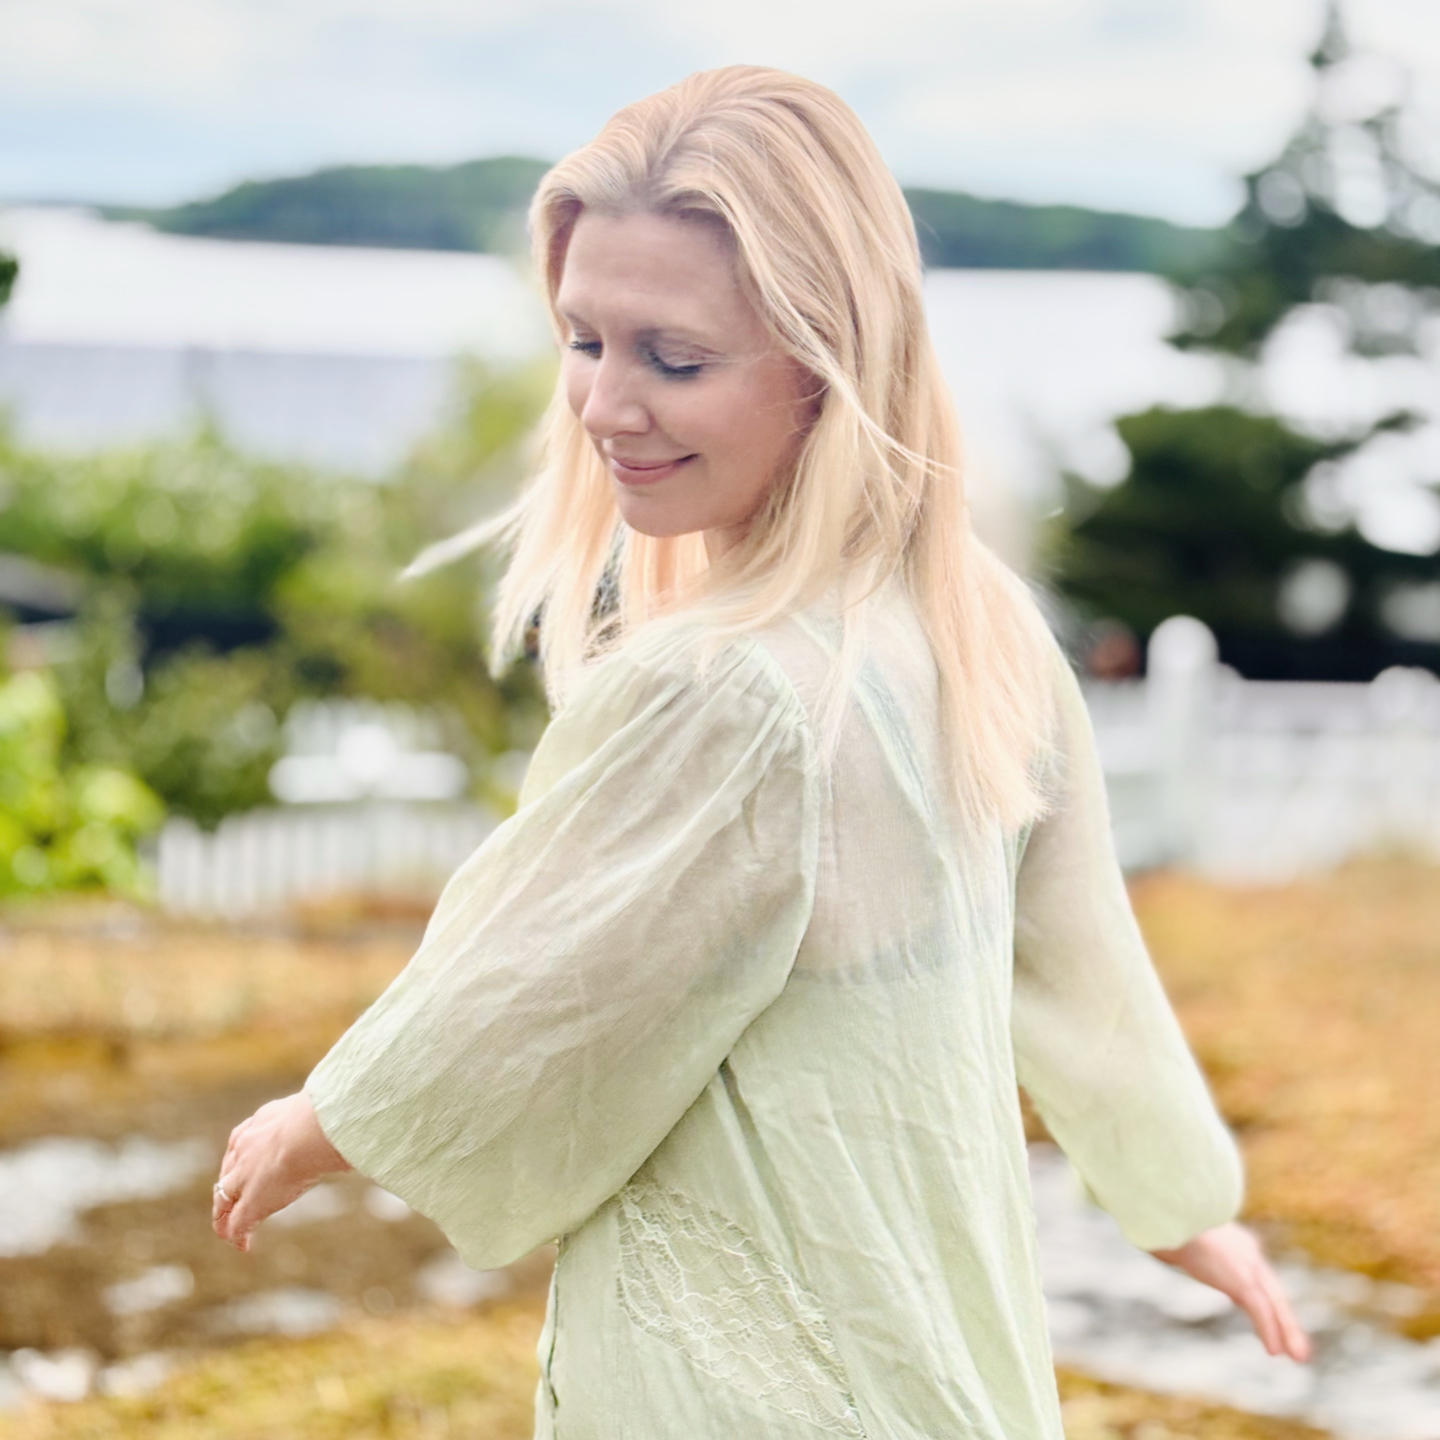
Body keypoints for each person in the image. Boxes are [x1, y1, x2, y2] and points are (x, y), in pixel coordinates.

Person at [212, 65, 1310, 1438]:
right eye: (584, 340)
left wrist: (317, 1124)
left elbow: (536, 978)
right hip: (939, 1373)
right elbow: (1083, 962)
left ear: (827, 363)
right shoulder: (975, 624)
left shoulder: (724, 690)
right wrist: (1177, 1200)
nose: (606, 405)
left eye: (674, 359)